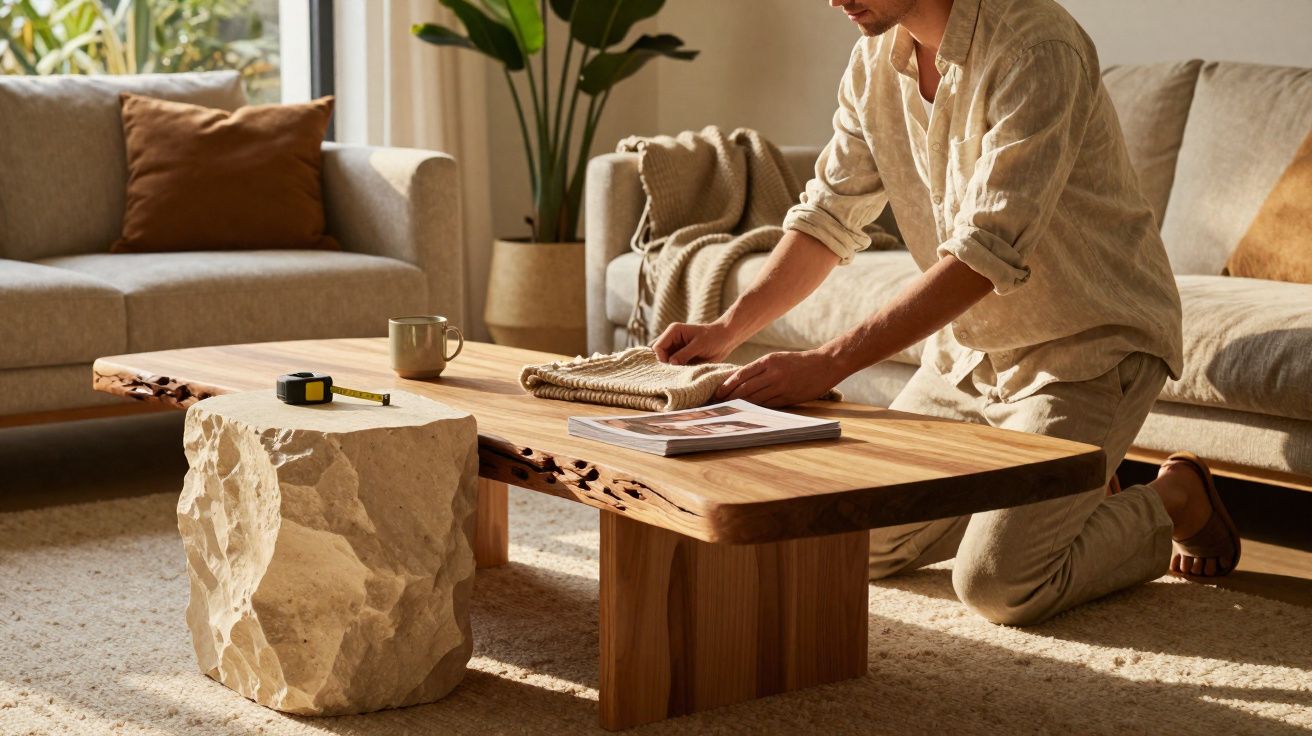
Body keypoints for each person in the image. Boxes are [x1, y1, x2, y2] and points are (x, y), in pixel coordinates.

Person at [650, 0, 1241, 626]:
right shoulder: (875, 58)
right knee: (852, 535)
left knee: (999, 584)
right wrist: (727, 328)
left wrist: (829, 363)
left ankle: (1175, 499)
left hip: (1086, 348)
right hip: (967, 358)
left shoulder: (1039, 48)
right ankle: (1069, 490)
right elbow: (828, 214)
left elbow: (984, 253)